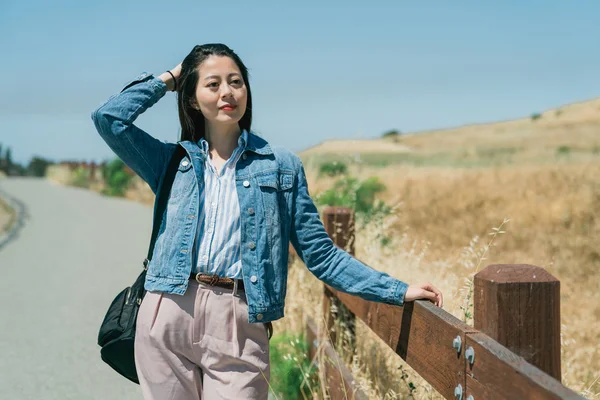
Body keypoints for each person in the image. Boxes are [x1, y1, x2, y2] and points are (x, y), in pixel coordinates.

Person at [91, 43, 443, 400]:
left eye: (236, 82)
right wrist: (171, 77)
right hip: (167, 311)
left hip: (239, 320)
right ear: (193, 99)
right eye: (212, 84)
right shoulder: (172, 162)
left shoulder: (281, 167)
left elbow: (321, 254)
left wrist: (396, 290)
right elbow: (109, 119)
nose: (227, 92)